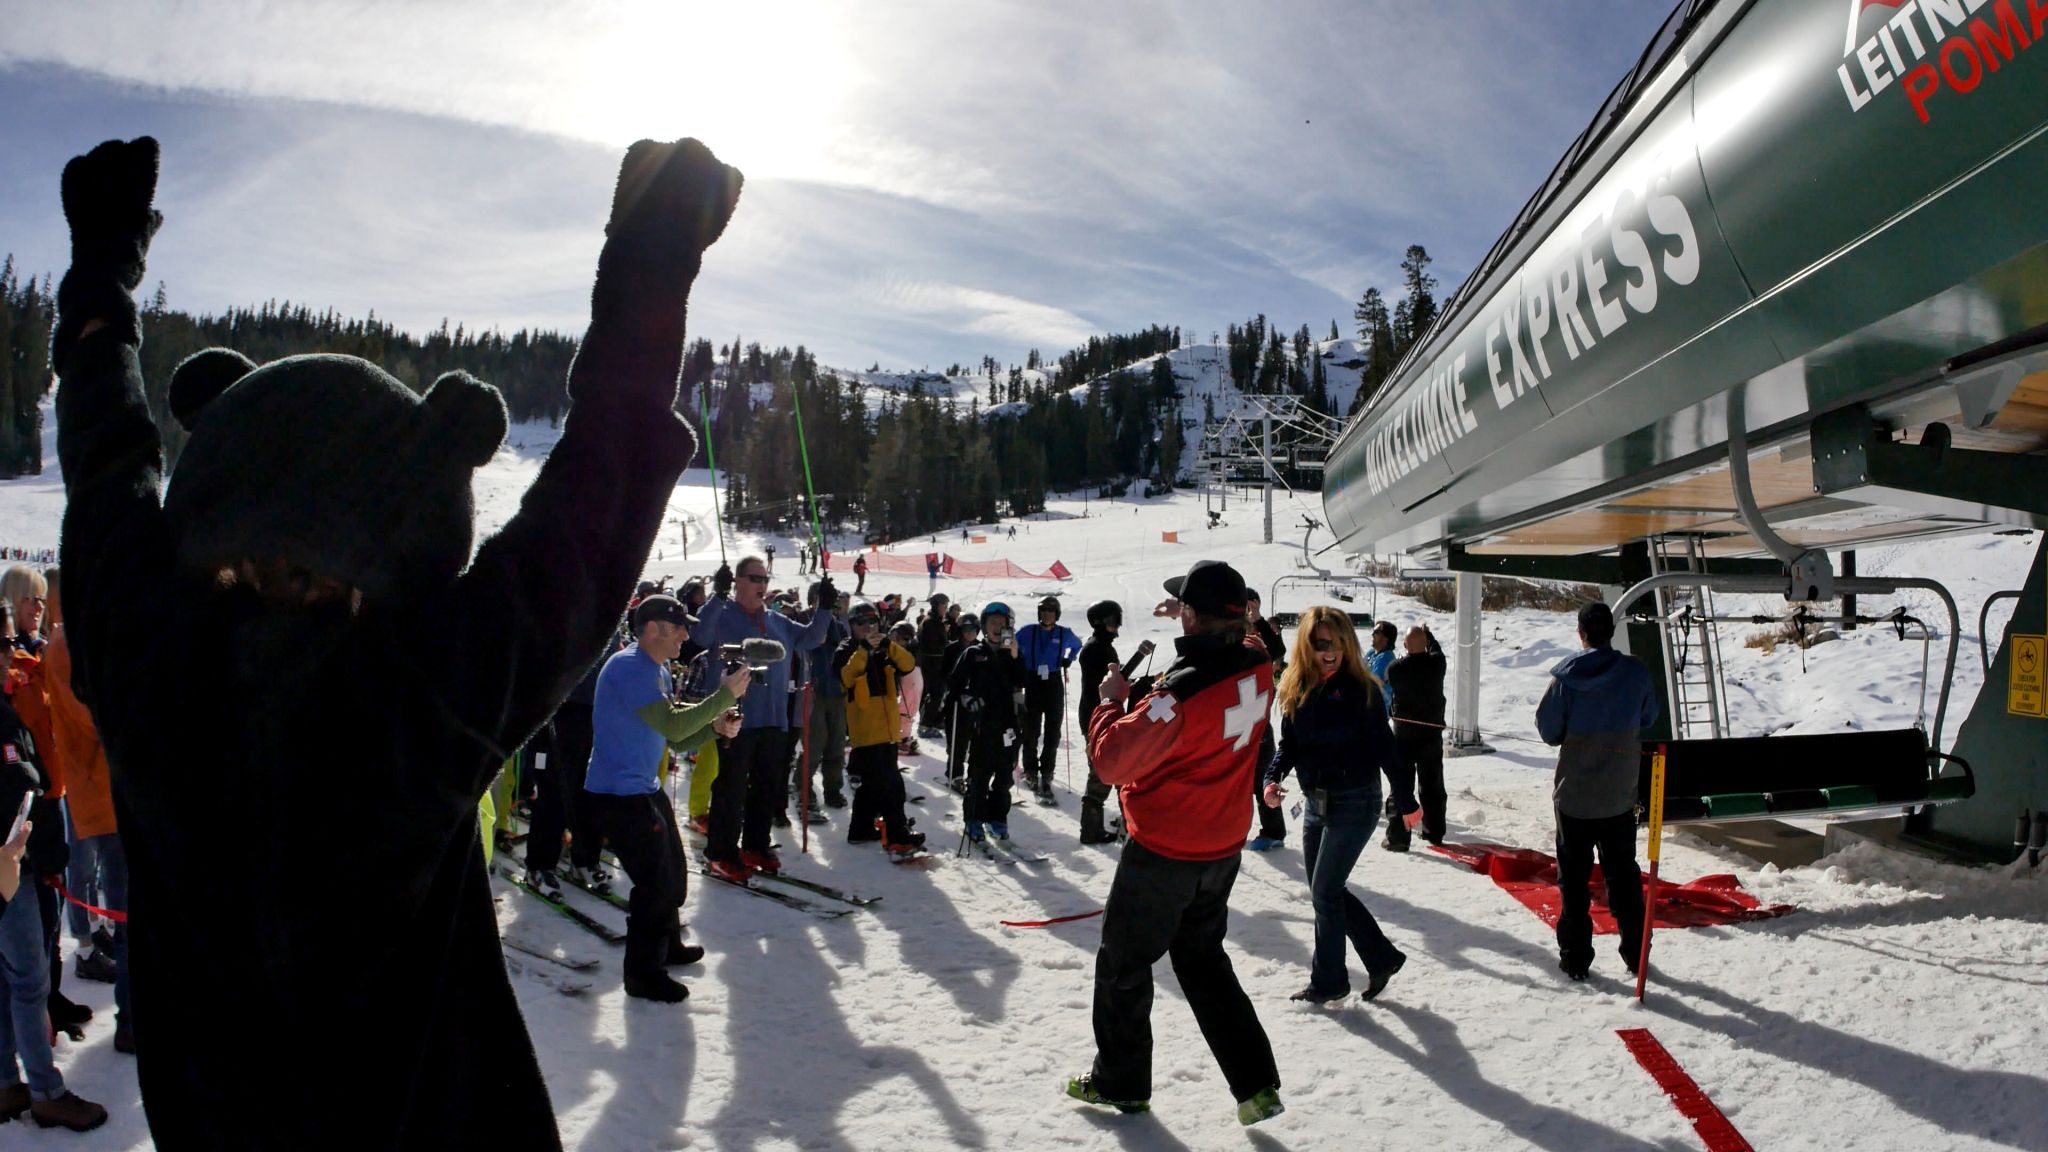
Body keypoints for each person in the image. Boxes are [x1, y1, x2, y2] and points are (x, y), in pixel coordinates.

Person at [53, 134, 742, 1148]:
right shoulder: (423, 686)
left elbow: (104, 456)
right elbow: (592, 501)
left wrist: (102, 270)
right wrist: (650, 262)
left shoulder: (147, 655)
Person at [1068, 560, 1283, 1125]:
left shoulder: (1177, 694)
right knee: (1203, 959)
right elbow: (1252, 635)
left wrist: (1109, 700)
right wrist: (1196, 617)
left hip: (1165, 850)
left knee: (1124, 964)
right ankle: (1256, 1086)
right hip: (1223, 843)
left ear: (1191, 615)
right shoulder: (1258, 661)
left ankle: (1120, 1084)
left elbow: (1112, 761)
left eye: (1184, 606)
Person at [583, 595, 745, 1001]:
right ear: (653, 628)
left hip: (644, 789)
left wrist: (715, 729)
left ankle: (666, 945)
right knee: (654, 886)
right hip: (619, 795)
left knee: (672, 876)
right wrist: (723, 697)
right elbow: (673, 726)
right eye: (679, 628)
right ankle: (643, 975)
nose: (686, 636)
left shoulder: (656, 670)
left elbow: (674, 740)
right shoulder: (629, 667)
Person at [1261, 605, 1406, 1003]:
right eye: (1322, 643)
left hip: (1356, 800)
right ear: (1306, 645)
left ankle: (1330, 980)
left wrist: (1406, 800)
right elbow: (1289, 745)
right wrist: (1272, 778)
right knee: (1323, 891)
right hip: (1316, 802)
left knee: (1325, 890)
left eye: (1339, 643)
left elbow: (1387, 750)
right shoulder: (1296, 685)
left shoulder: (1362, 690)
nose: (1331, 652)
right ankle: (1378, 959)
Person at [1536, 601, 1659, 982]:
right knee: (1623, 877)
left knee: (1573, 880)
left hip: (1575, 797)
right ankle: (1636, 952)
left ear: (1581, 633)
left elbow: (1548, 730)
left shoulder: (1566, 678)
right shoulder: (1635, 673)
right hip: (1619, 796)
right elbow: (1650, 716)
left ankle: (1575, 958)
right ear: (1611, 631)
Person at [1, 695, 107, 1131]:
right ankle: (47, 1093)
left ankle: (7, 1082)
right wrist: (45, 853)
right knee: (28, 981)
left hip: (17, 862)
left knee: (9, 978)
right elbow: (19, 783)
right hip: (11, 864)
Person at [693, 555, 836, 880]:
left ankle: (755, 845)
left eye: (765, 579)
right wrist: (718, 594)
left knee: (767, 786)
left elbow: (812, 638)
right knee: (731, 788)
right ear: (738, 581)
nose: (762, 585)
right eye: (755, 578)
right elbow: (699, 636)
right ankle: (720, 852)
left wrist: (824, 608)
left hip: (774, 717)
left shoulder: (776, 620)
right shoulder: (722, 614)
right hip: (733, 718)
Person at [40, 572, 131, 1052]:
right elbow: (94, 717)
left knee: (124, 908)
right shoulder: (65, 646)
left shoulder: (83, 639)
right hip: (97, 794)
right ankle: (128, 1014)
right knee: (108, 894)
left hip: (112, 794)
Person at [837, 602, 925, 854]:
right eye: (861, 623)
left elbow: (908, 665)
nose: (868, 628)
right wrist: (864, 650)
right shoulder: (846, 649)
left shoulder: (885, 648)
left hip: (888, 727)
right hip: (866, 729)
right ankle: (898, 836)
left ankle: (861, 829)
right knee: (891, 786)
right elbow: (845, 677)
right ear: (852, 626)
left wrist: (889, 645)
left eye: (872, 622)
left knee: (871, 785)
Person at [948, 603, 1027, 844]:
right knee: (979, 775)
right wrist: (967, 698)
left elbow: (1024, 680)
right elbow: (954, 684)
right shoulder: (974, 653)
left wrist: (1015, 655)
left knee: (1004, 777)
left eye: (1002, 623)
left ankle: (997, 819)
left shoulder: (1013, 653)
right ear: (984, 626)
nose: (997, 627)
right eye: (992, 622)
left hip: (1009, 724)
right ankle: (973, 820)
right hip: (982, 725)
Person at [1076, 599, 1143, 845]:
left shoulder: (1101, 646)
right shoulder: (1095, 649)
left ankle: (1118, 825)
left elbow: (1112, 681)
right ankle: (1091, 830)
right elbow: (1106, 683)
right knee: (1101, 774)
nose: (1117, 626)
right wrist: (1137, 661)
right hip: (1096, 717)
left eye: (1118, 620)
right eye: (1113, 621)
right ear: (1099, 622)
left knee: (1112, 770)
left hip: (1100, 714)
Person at [1385, 625, 1448, 848]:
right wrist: (1428, 634)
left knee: (1401, 786)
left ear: (1405, 645)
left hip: (1403, 735)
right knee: (1432, 785)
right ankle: (1434, 832)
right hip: (1431, 735)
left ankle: (1398, 837)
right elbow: (1436, 649)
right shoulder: (1437, 664)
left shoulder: (1395, 668)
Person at [1014, 596, 1080, 803]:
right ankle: (1030, 770)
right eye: (1043, 610)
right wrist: (1017, 662)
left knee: (1053, 731)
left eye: (1051, 610)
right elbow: (1011, 645)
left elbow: (1077, 645)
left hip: (1053, 682)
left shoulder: (1064, 633)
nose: (1047, 614)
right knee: (1030, 730)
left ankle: (1047, 770)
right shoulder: (1028, 631)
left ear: (1056, 614)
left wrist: (1069, 659)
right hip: (1033, 682)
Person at [798, 583, 851, 813]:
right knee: (813, 744)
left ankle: (832, 788)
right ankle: (803, 788)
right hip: (814, 692)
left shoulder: (839, 627)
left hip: (837, 691)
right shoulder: (805, 623)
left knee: (836, 744)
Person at [1243, 590, 1287, 852]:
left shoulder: (1260, 642)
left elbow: (1278, 650)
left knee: (1262, 781)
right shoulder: (1232, 639)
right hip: (1235, 725)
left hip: (1259, 727)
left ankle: (1274, 832)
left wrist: (1258, 619)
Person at [941, 616, 980, 790]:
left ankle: (974, 775)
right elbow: (944, 673)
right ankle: (955, 774)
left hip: (976, 700)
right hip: (956, 700)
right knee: (957, 740)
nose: (969, 633)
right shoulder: (952, 648)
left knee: (976, 740)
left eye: (973, 630)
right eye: (966, 630)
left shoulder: (981, 649)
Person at [915, 594, 952, 734]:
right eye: (944, 605)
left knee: (938, 694)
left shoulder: (936, 621)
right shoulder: (931, 622)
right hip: (931, 665)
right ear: (936, 605)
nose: (946, 608)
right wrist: (946, 643)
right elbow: (931, 645)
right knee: (934, 694)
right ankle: (925, 724)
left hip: (935, 664)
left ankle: (934, 720)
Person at [891, 620, 923, 754]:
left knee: (907, 707)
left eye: (904, 639)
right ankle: (899, 736)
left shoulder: (909, 651)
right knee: (903, 707)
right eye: (895, 636)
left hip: (911, 679)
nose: (897, 640)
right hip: (906, 679)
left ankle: (902, 737)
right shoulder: (890, 648)